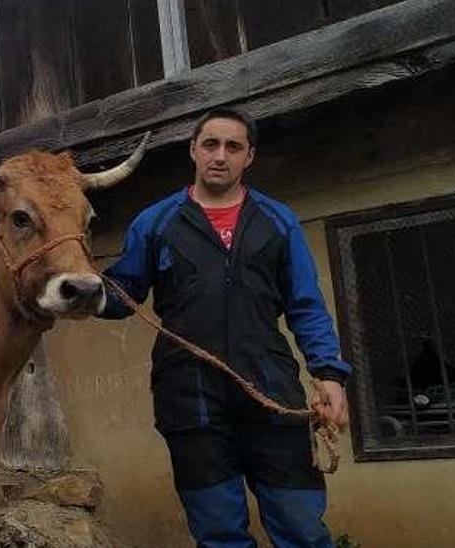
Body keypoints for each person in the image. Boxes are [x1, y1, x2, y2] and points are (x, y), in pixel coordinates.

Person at [98, 108, 350, 548]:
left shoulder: (278, 221)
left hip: (270, 390)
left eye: (233, 146)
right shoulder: (155, 222)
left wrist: (328, 373)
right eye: (210, 144)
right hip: (189, 399)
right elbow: (123, 292)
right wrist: (80, 289)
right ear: (193, 150)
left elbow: (306, 305)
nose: (220, 155)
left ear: (249, 156)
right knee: (218, 535)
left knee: (302, 529)